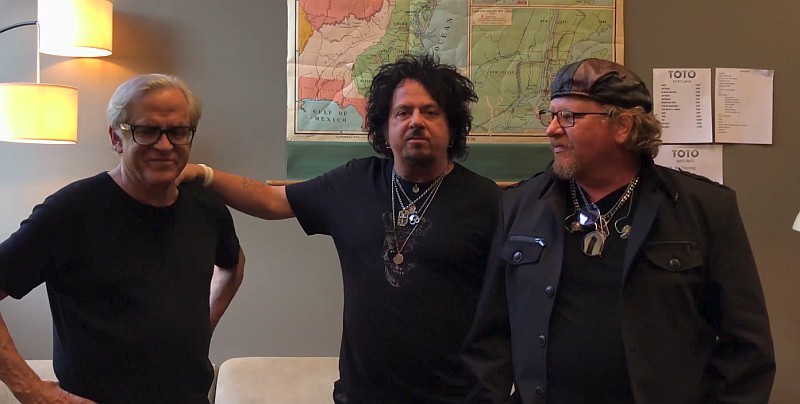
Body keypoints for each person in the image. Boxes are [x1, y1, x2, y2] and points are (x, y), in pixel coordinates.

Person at [180, 54, 500, 403]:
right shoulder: (354, 183)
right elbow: (270, 200)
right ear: (384, 127)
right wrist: (203, 174)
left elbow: (506, 309)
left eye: (431, 112)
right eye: (403, 112)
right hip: (361, 397)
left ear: (452, 126)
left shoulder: (486, 200)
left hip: (455, 397)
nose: (416, 122)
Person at [462, 58, 776, 404]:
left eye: (568, 117)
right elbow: (489, 339)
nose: (551, 129)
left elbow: (747, 348)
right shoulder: (519, 206)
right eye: (549, 115)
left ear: (623, 126)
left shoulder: (703, 208)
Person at [0, 74, 245, 403]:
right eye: (146, 130)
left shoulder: (206, 205)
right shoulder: (69, 212)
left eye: (177, 131)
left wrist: (202, 326)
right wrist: (31, 390)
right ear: (117, 138)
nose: (164, 145)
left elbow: (232, 264)